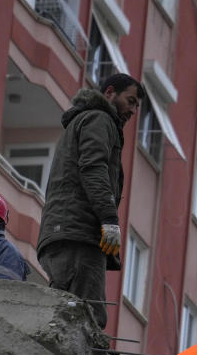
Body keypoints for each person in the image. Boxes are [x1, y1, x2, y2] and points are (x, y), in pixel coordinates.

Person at [36, 73, 144, 328]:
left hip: (65, 232)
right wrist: (108, 219)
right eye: (130, 100)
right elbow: (93, 168)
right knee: (87, 319)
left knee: (68, 311)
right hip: (78, 235)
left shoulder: (86, 121)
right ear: (109, 93)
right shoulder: (99, 119)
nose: (132, 110)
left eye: (136, 106)